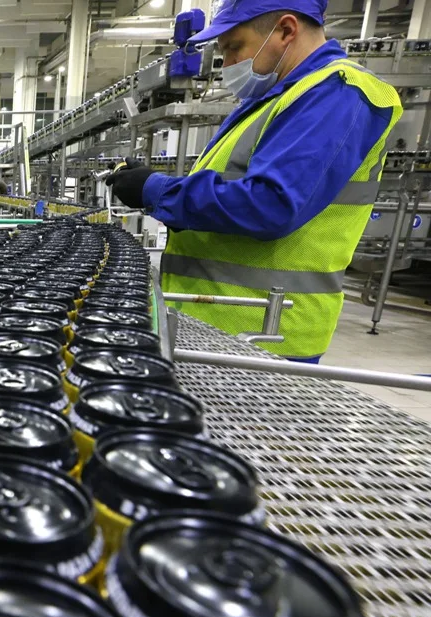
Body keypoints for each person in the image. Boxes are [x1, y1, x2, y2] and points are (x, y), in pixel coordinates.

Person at [105, 0, 403, 363]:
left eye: (235, 47)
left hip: (265, 333)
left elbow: (271, 203)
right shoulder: (274, 98)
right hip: (217, 322)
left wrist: (155, 189)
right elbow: (238, 184)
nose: (228, 64)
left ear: (286, 30)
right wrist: (157, 183)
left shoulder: (337, 93)